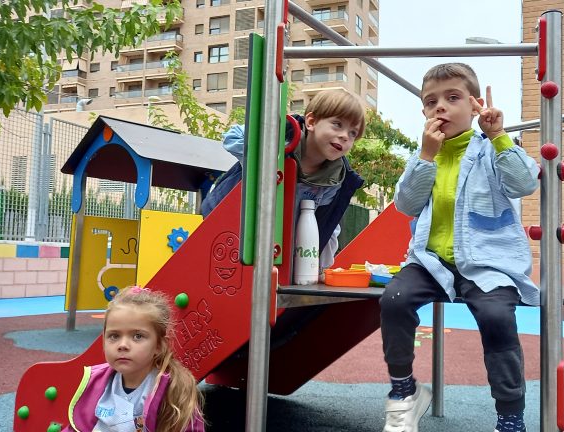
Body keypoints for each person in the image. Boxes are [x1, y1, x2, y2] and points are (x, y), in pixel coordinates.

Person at [379, 63, 539, 432]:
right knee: (394, 300)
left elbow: (524, 183)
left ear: (475, 105)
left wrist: (499, 135)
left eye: (453, 98)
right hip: (430, 261)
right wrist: (426, 156)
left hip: (488, 262)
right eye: (431, 101)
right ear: (423, 111)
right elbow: (406, 204)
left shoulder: (492, 149)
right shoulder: (426, 154)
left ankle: (510, 416)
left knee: (497, 316)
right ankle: (404, 392)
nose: (441, 107)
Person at [200, 89, 366, 270]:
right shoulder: (282, 136)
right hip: (227, 226)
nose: (344, 136)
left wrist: (320, 267)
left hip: (274, 246)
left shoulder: (334, 180)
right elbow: (233, 136)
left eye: (353, 133)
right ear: (311, 122)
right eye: (337, 124)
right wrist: (267, 161)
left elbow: (326, 225)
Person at [63, 287, 205, 431]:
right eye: (114, 336)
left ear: (159, 345)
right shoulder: (96, 382)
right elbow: (76, 427)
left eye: (138, 336)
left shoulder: (172, 390)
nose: (123, 345)